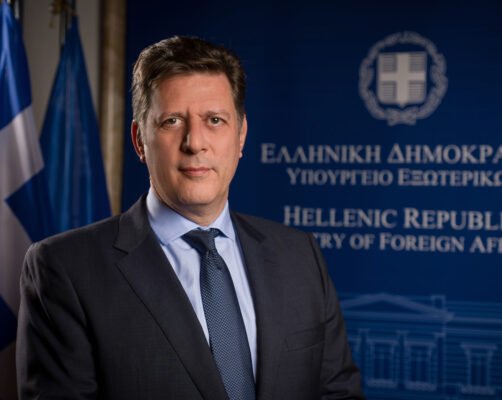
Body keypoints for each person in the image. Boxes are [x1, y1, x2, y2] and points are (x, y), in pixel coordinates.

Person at [16, 36, 364, 399]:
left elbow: (338, 393)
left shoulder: (300, 257)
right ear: (139, 140)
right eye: (172, 121)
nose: (195, 142)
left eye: (215, 120)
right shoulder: (66, 269)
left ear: (241, 136)